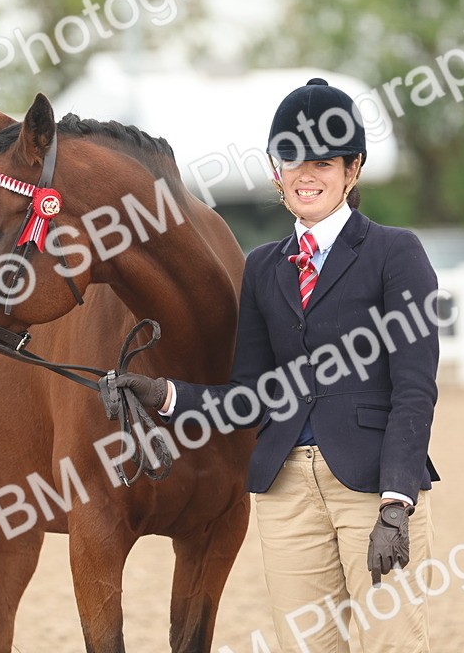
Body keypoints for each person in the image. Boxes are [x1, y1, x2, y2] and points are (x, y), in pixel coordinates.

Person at [112, 77, 440, 652]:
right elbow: (253, 395)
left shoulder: (395, 252)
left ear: (352, 170)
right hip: (286, 488)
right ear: (275, 171)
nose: (305, 175)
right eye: (292, 160)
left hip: (371, 488)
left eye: (323, 162)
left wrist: (397, 501)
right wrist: (165, 395)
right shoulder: (263, 267)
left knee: (392, 644)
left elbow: (414, 389)